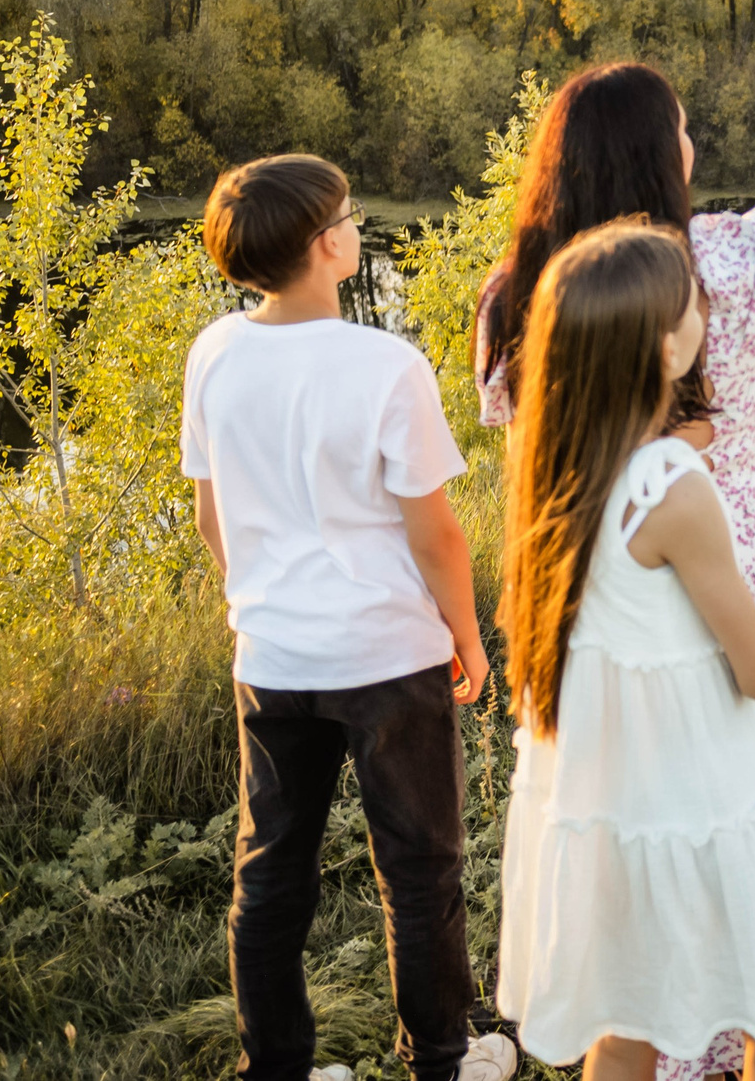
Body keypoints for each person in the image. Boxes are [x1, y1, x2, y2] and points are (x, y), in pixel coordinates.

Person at [471, 0, 755, 1080]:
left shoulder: (517, 296)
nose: (697, 143)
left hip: (586, 584)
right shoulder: (727, 265)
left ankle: (651, 1027)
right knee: (747, 818)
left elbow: (538, 458)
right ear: (663, 159)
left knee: (634, 836)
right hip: (727, 553)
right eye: (686, 130)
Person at [494, 221, 755, 1081]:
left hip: (607, 798)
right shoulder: (672, 486)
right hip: (705, 792)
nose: (707, 310)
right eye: (693, 301)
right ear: (666, 347)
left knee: (626, 1021)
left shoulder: (553, 473)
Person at [181, 155, 517, 1081]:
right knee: (419, 871)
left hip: (273, 657)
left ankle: (276, 1070)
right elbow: (435, 533)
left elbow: (211, 515)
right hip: (388, 658)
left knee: (270, 872)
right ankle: (442, 1063)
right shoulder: (385, 364)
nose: (356, 225)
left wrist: (259, 597)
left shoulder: (214, 352)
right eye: (349, 214)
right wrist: (467, 636)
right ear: (328, 245)